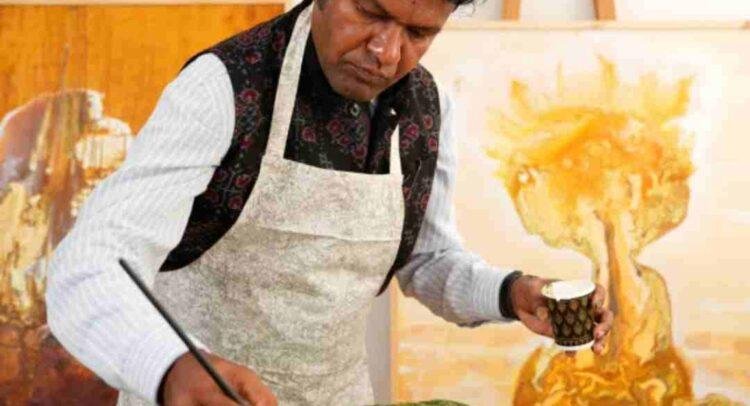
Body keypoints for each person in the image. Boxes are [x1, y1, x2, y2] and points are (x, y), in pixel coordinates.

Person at [45, 0, 614, 404]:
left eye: (418, 33)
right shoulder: (225, 87)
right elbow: (88, 264)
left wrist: (511, 293)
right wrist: (171, 367)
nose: (386, 52)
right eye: (369, 12)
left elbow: (426, 260)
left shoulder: (427, 106)